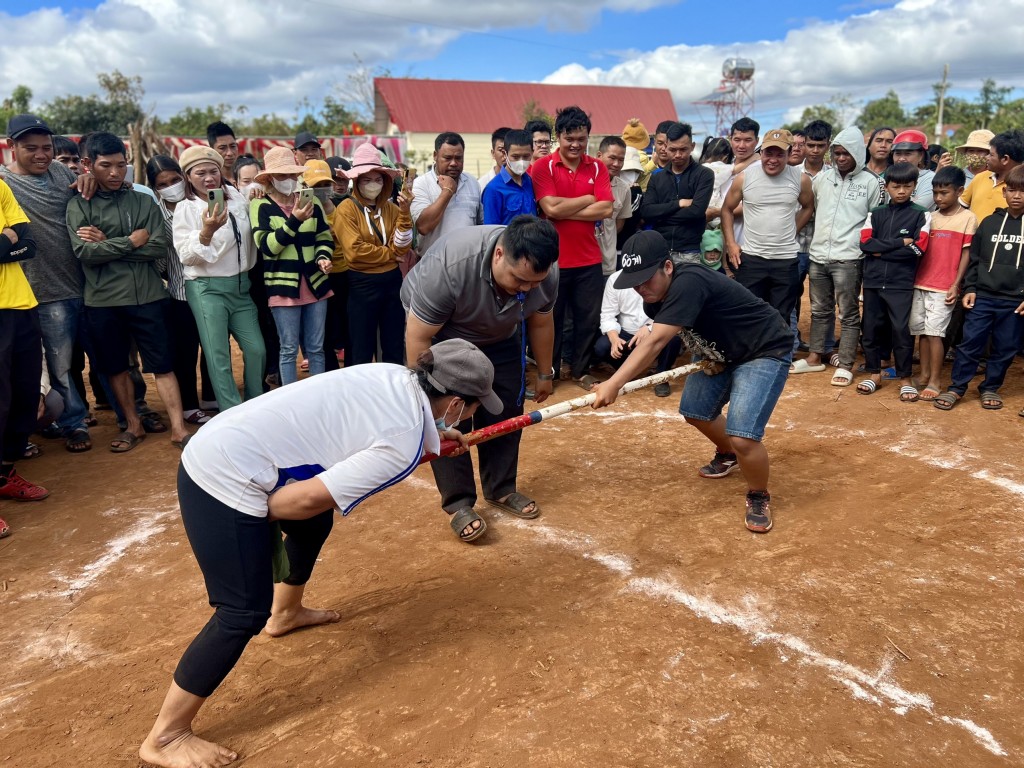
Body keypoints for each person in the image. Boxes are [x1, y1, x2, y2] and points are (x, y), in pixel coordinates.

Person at [138, 338, 500, 768]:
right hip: (221, 478)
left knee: (314, 525)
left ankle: (286, 613)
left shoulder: (391, 375)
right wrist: (249, 520)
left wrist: (436, 432)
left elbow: (374, 429)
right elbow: (306, 499)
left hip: (230, 442)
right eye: (475, 407)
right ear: (456, 404)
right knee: (240, 612)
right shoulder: (400, 444)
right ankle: (166, 735)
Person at [592, 230, 793, 533]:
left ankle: (757, 494)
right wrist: (707, 353)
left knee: (743, 436)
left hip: (764, 349)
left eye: (647, 278)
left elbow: (656, 342)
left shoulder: (689, 281)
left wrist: (613, 384)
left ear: (668, 267)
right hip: (723, 353)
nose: (640, 288)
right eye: (635, 281)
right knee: (696, 409)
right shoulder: (653, 299)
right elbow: (688, 330)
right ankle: (728, 454)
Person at [401, 216, 559, 542]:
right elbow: (418, 337)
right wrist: (426, 398)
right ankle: (458, 502)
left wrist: (545, 372)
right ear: (499, 254)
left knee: (507, 408)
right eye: (519, 280)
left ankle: (500, 488)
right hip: (443, 332)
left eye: (534, 282)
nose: (527, 289)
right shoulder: (451, 266)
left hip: (500, 333)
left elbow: (541, 323)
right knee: (448, 416)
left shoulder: (545, 275)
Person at [66, 132, 191, 450]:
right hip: (103, 301)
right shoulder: (78, 204)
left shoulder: (144, 199)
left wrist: (107, 244)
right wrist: (132, 241)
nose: (114, 173)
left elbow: (159, 247)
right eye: (106, 165)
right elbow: (85, 254)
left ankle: (178, 428)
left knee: (163, 365)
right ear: (87, 165)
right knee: (116, 367)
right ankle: (133, 426)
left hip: (149, 296)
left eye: (121, 165)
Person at [3, 114, 93, 451]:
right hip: (42, 291)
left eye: (47, 147)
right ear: (12, 147)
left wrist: (90, 180)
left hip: (84, 281)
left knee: (94, 358)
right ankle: (71, 422)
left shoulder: (60, 172)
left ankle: (127, 411)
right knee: (56, 365)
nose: (41, 154)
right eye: (31, 148)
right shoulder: (4, 184)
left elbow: (89, 188)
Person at [173, 145, 266, 409]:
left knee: (256, 349)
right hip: (207, 289)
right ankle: (231, 413)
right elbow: (186, 256)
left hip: (241, 287)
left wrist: (257, 190)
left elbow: (253, 195)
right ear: (188, 177)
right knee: (218, 356)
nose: (208, 178)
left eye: (213, 171)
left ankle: (255, 403)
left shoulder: (236, 196)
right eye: (199, 173)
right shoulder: (187, 208)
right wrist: (206, 231)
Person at [531, 105, 613, 389]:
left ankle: (580, 370)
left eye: (581, 138)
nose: (576, 144)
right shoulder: (542, 167)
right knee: (550, 320)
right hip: (553, 260)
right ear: (559, 137)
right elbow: (549, 207)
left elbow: (606, 209)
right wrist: (588, 199)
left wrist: (562, 210)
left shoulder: (598, 166)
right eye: (570, 138)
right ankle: (550, 371)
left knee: (587, 320)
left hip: (589, 258)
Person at [794, 126, 881, 386]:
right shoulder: (822, 178)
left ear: (857, 154)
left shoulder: (871, 183)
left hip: (849, 258)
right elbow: (811, 209)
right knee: (820, 310)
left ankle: (845, 363)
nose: (841, 158)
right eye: (838, 153)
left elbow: (875, 220)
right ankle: (814, 358)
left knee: (848, 312)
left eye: (847, 154)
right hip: (818, 255)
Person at [934, 165, 1024, 413]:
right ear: (1004, 192)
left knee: (1006, 347)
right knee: (970, 343)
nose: (1017, 196)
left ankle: (990, 387)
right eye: (1012, 190)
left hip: (1015, 301)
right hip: (983, 295)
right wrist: (971, 287)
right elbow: (974, 258)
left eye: (1023, 191)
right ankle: (957, 387)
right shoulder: (989, 222)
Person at [250, 147, 334, 385]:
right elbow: (267, 246)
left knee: (316, 348)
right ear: (269, 179)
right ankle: (291, 400)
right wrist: (295, 220)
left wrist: (323, 257)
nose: (288, 180)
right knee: (287, 349)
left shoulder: (312, 201)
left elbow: (324, 237)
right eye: (282, 176)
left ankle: (318, 396)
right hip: (282, 286)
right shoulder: (260, 206)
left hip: (315, 283)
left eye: (291, 175)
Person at [146, 154, 215, 425]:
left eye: (175, 179)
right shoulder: (157, 215)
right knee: (185, 351)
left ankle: (211, 395)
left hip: (211, 288)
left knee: (213, 345)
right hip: (180, 293)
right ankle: (188, 404)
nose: (171, 186)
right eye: (163, 184)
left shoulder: (198, 204)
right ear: (155, 189)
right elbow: (161, 260)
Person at [332, 143, 413, 366]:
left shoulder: (392, 209)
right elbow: (355, 251)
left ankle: (392, 395)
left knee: (393, 345)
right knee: (360, 348)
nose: (373, 185)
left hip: (392, 283)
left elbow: (403, 246)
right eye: (366, 180)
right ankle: (358, 397)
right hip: (361, 284)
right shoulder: (346, 209)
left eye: (378, 179)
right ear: (356, 181)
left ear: (386, 182)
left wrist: (405, 213)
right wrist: (389, 254)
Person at [721, 128, 813, 323]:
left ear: (789, 154)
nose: (773, 159)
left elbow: (807, 207)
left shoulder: (801, 179)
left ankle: (778, 354)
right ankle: (752, 354)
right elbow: (727, 209)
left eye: (780, 154)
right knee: (749, 313)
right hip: (752, 259)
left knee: (781, 317)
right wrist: (731, 244)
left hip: (785, 261)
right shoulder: (745, 178)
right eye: (768, 153)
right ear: (761, 152)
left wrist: (791, 230)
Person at [857, 162, 931, 400]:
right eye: (896, 186)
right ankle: (873, 373)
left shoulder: (921, 214)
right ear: (886, 186)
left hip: (901, 283)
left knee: (901, 330)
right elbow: (865, 245)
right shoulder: (875, 213)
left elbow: (920, 249)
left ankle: (905, 378)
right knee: (870, 329)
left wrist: (881, 250)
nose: (901, 191)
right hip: (873, 281)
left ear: (914, 187)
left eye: (907, 186)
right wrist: (901, 243)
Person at [0, 176, 47, 528]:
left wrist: (9, 240)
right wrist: (7, 238)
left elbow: (27, 243)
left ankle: (4, 474)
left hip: (20, 303)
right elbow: (13, 238)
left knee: (24, 394)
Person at [912, 166, 977, 400]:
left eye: (944, 193)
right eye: (935, 193)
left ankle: (935, 380)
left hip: (944, 285)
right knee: (922, 332)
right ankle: (923, 375)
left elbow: (966, 255)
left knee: (936, 333)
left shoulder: (968, 218)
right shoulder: (930, 217)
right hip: (921, 281)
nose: (938, 198)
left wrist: (955, 284)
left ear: (959, 191)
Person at [595, 263, 682, 397]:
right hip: (626, 333)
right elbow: (607, 315)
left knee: (673, 338)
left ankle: (661, 376)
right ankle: (628, 374)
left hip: (655, 327)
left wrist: (650, 327)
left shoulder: (661, 278)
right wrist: (614, 338)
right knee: (602, 346)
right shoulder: (614, 279)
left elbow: (672, 313)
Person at [640, 122, 714, 266]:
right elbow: (646, 211)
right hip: (660, 251)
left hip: (689, 252)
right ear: (665, 147)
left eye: (683, 149)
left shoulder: (704, 175)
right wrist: (678, 204)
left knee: (687, 288)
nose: (678, 155)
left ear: (692, 147)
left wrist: (661, 215)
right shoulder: (657, 177)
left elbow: (697, 212)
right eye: (673, 150)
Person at [411, 132, 481, 254]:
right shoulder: (421, 184)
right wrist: (447, 192)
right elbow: (423, 227)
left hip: (467, 263)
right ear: (435, 155)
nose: (454, 163)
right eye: (447, 158)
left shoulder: (472, 182)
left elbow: (480, 224)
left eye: (458, 158)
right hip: (433, 264)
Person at [961, 129, 1024, 221]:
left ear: (1005, 159)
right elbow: (959, 208)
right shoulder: (980, 178)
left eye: (991, 155)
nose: (987, 158)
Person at [481, 129, 536, 226]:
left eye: (526, 156)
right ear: (505, 154)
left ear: (532, 152)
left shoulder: (531, 182)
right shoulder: (493, 189)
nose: (521, 161)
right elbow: (491, 231)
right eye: (515, 157)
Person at [595, 135, 633, 277]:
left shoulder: (624, 189)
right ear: (599, 155)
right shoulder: (585, 182)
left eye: (621, 159)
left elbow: (619, 224)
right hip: (582, 261)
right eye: (612, 158)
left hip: (608, 263)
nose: (616, 164)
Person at [891, 130, 935, 211]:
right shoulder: (889, 176)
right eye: (898, 154)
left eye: (908, 154)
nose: (901, 159)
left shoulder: (931, 179)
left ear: (921, 156)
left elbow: (916, 209)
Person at [478, 127, 511, 191]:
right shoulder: (483, 184)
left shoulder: (524, 180)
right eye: (501, 150)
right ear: (493, 153)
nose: (505, 155)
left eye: (509, 150)